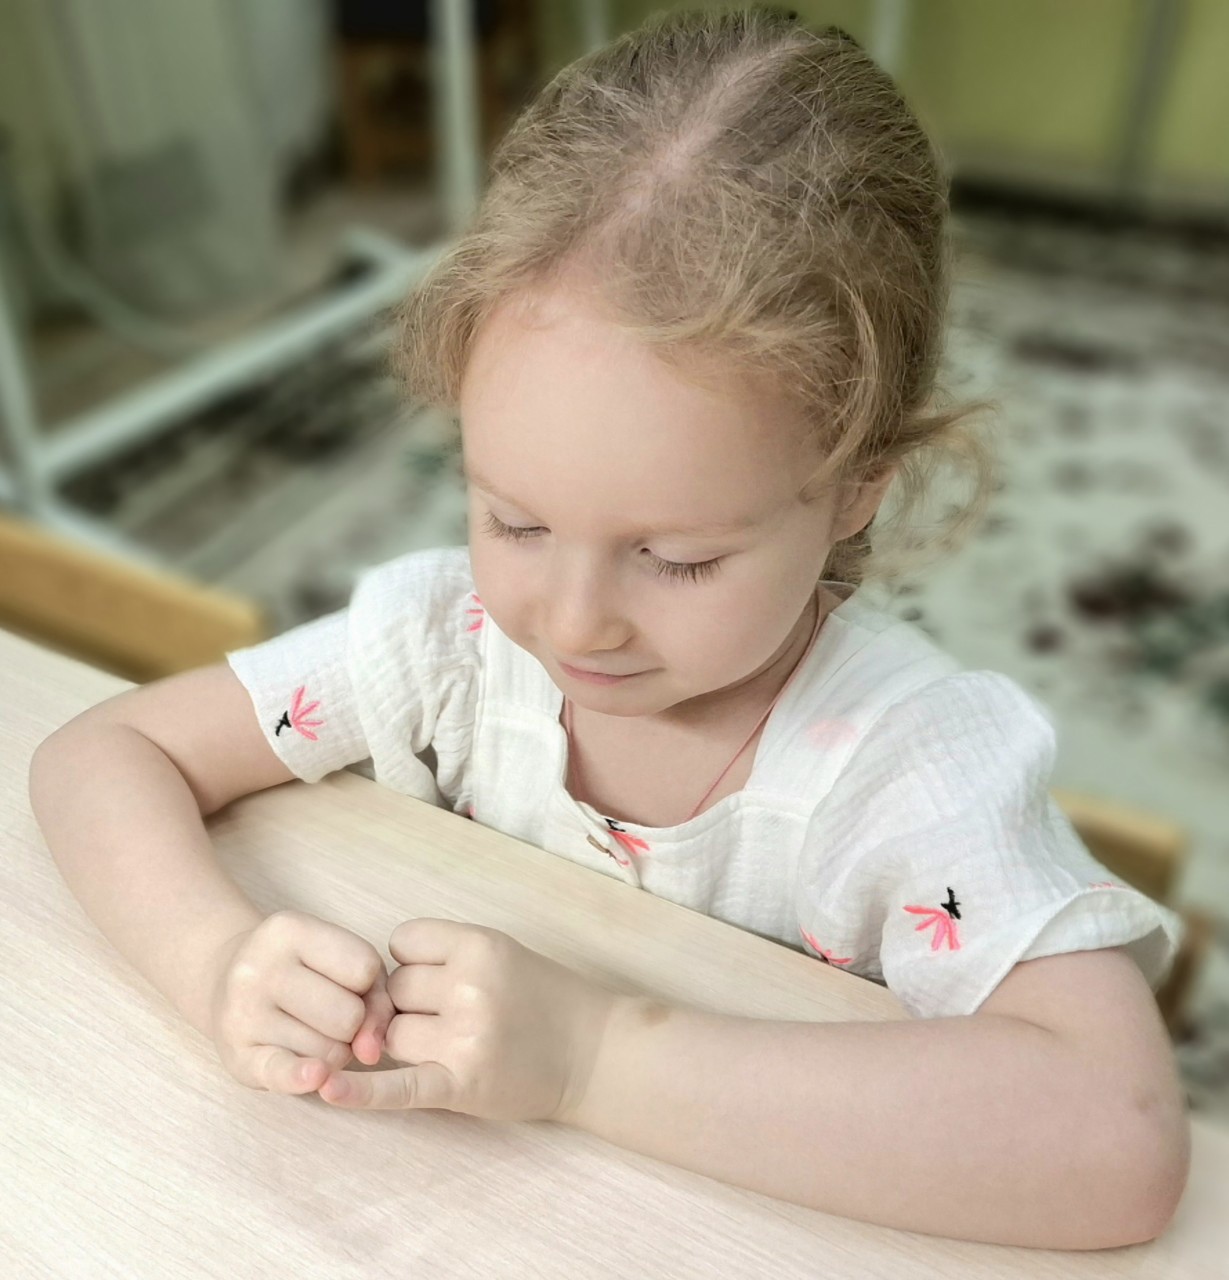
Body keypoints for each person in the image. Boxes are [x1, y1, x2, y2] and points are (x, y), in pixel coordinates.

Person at [29, 6, 1189, 1250]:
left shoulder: (911, 771)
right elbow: (101, 752)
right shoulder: (445, 641)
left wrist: (591, 1055)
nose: (572, 622)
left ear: (858, 483)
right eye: (514, 520)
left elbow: (1115, 1138)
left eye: (676, 558)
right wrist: (214, 959)